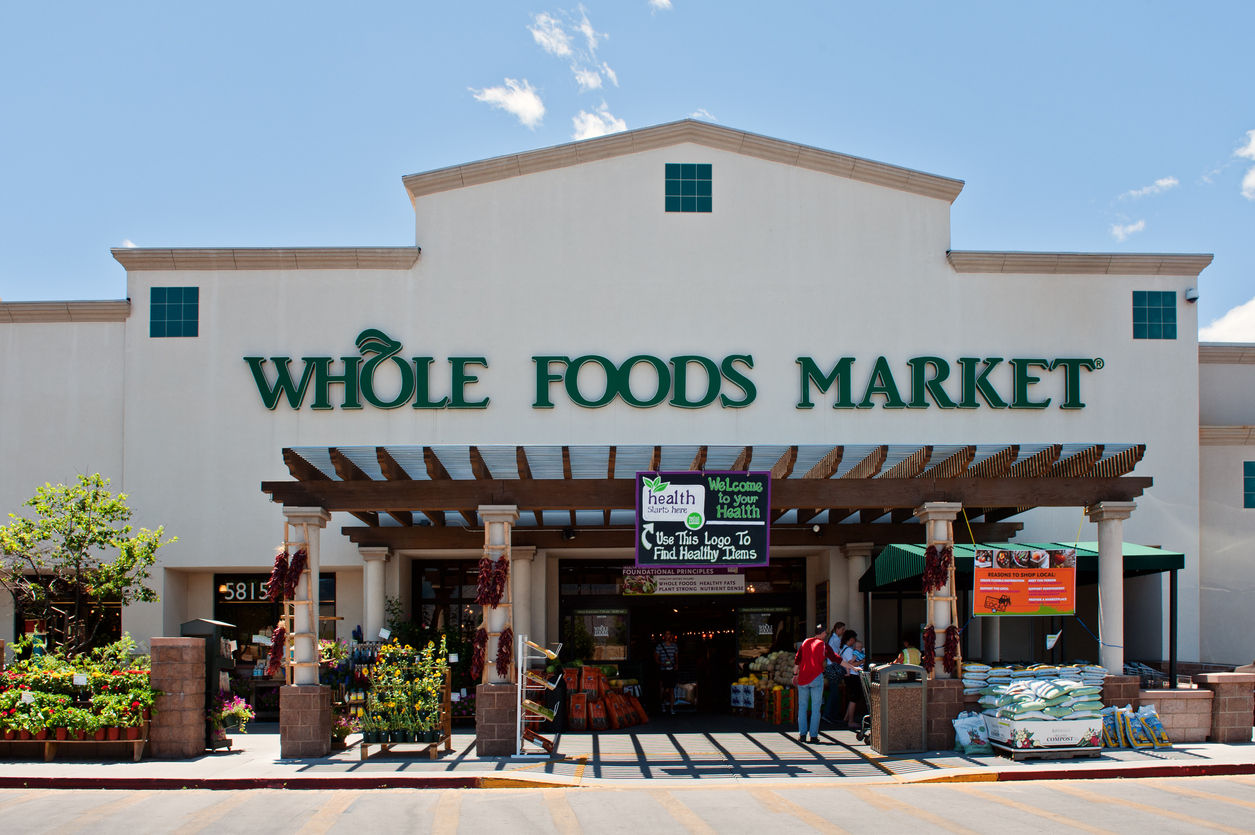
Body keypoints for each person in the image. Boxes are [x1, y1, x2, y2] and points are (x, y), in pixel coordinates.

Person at [794, 623, 840, 744]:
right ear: (822, 633)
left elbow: (797, 660)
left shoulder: (805, 642)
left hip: (803, 677)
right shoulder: (823, 645)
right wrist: (850, 666)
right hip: (816, 677)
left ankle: (802, 734)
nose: (826, 635)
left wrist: (795, 674)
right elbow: (835, 658)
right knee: (816, 708)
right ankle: (813, 735)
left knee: (802, 707)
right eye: (825, 633)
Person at [837, 630, 865, 730]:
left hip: (848, 676)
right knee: (854, 698)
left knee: (852, 698)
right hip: (853, 675)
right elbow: (851, 663)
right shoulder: (849, 650)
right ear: (851, 639)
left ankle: (846, 718)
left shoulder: (843, 648)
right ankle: (851, 721)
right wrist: (863, 661)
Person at [821, 621, 846, 723]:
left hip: (830, 667)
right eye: (842, 629)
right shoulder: (835, 639)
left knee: (834, 692)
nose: (843, 631)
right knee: (834, 692)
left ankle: (831, 714)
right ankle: (828, 714)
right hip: (833, 667)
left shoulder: (832, 638)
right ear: (837, 629)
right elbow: (836, 655)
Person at [655, 630, 678, 715]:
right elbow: (656, 658)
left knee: (671, 689)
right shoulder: (660, 646)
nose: (668, 636)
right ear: (664, 636)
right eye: (666, 634)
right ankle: (663, 703)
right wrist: (662, 663)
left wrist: (676, 664)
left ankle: (671, 708)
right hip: (663, 670)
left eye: (669, 634)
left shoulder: (674, 646)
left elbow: (676, 657)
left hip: (671, 669)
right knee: (664, 689)